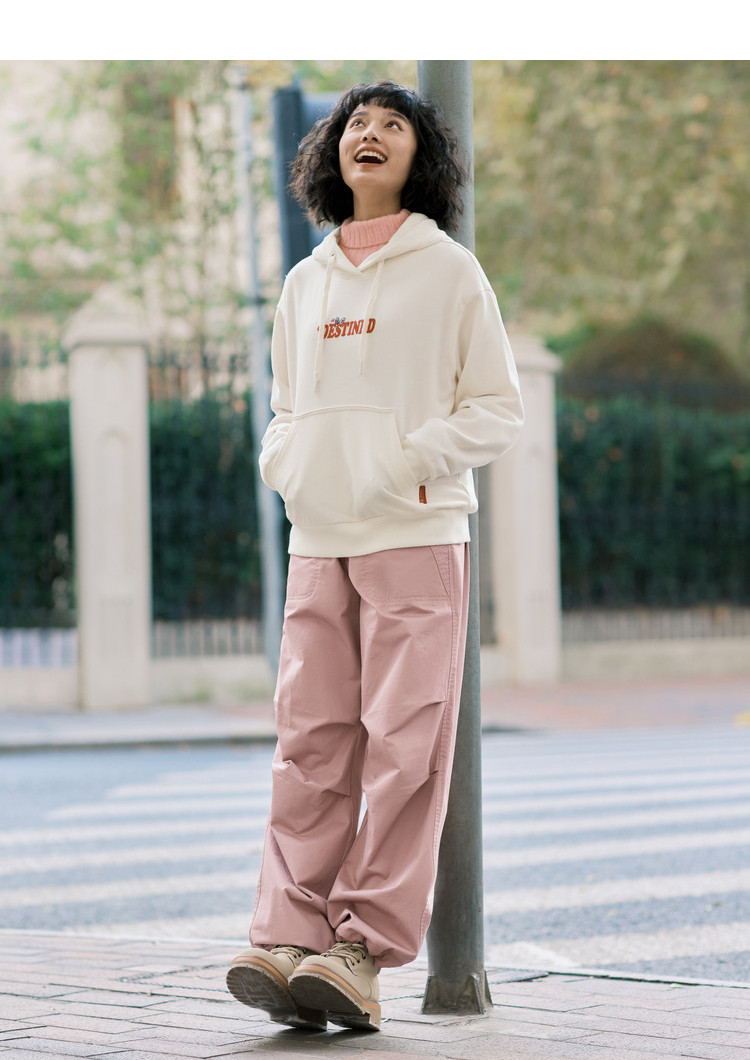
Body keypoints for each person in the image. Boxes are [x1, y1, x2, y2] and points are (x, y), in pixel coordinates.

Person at [226, 79, 523, 1033]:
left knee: (405, 750)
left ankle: (358, 953)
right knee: (308, 746)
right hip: (320, 539)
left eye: (394, 125)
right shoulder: (304, 282)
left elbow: (497, 408)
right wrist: (293, 466)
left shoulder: (450, 273)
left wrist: (404, 461)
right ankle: (287, 938)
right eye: (357, 122)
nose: (372, 134)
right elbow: (284, 409)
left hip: (416, 535)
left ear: (418, 158)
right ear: (334, 152)